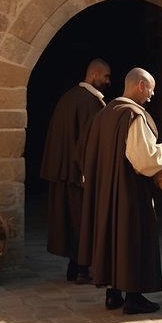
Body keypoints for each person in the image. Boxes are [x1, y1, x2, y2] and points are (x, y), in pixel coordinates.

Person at [82, 67, 162, 314]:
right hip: (128, 191)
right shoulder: (132, 115)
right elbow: (145, 159)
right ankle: (134, 297)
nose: (152, 96)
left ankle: (113, 294)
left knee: (113, 237)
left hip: (105, 191)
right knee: (132, 238)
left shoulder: (104, 114)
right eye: (151, 90)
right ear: (140, 85)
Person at [40, 58, 110, 283]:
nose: (109, 81)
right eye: (106, 76)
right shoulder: (89, 102)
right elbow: (89, 143)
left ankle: (74, 267)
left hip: (63, 172)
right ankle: (81, 269)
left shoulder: (68, 98)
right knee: (83, 221)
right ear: (94, 75)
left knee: (70, 220)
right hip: (79, 175)